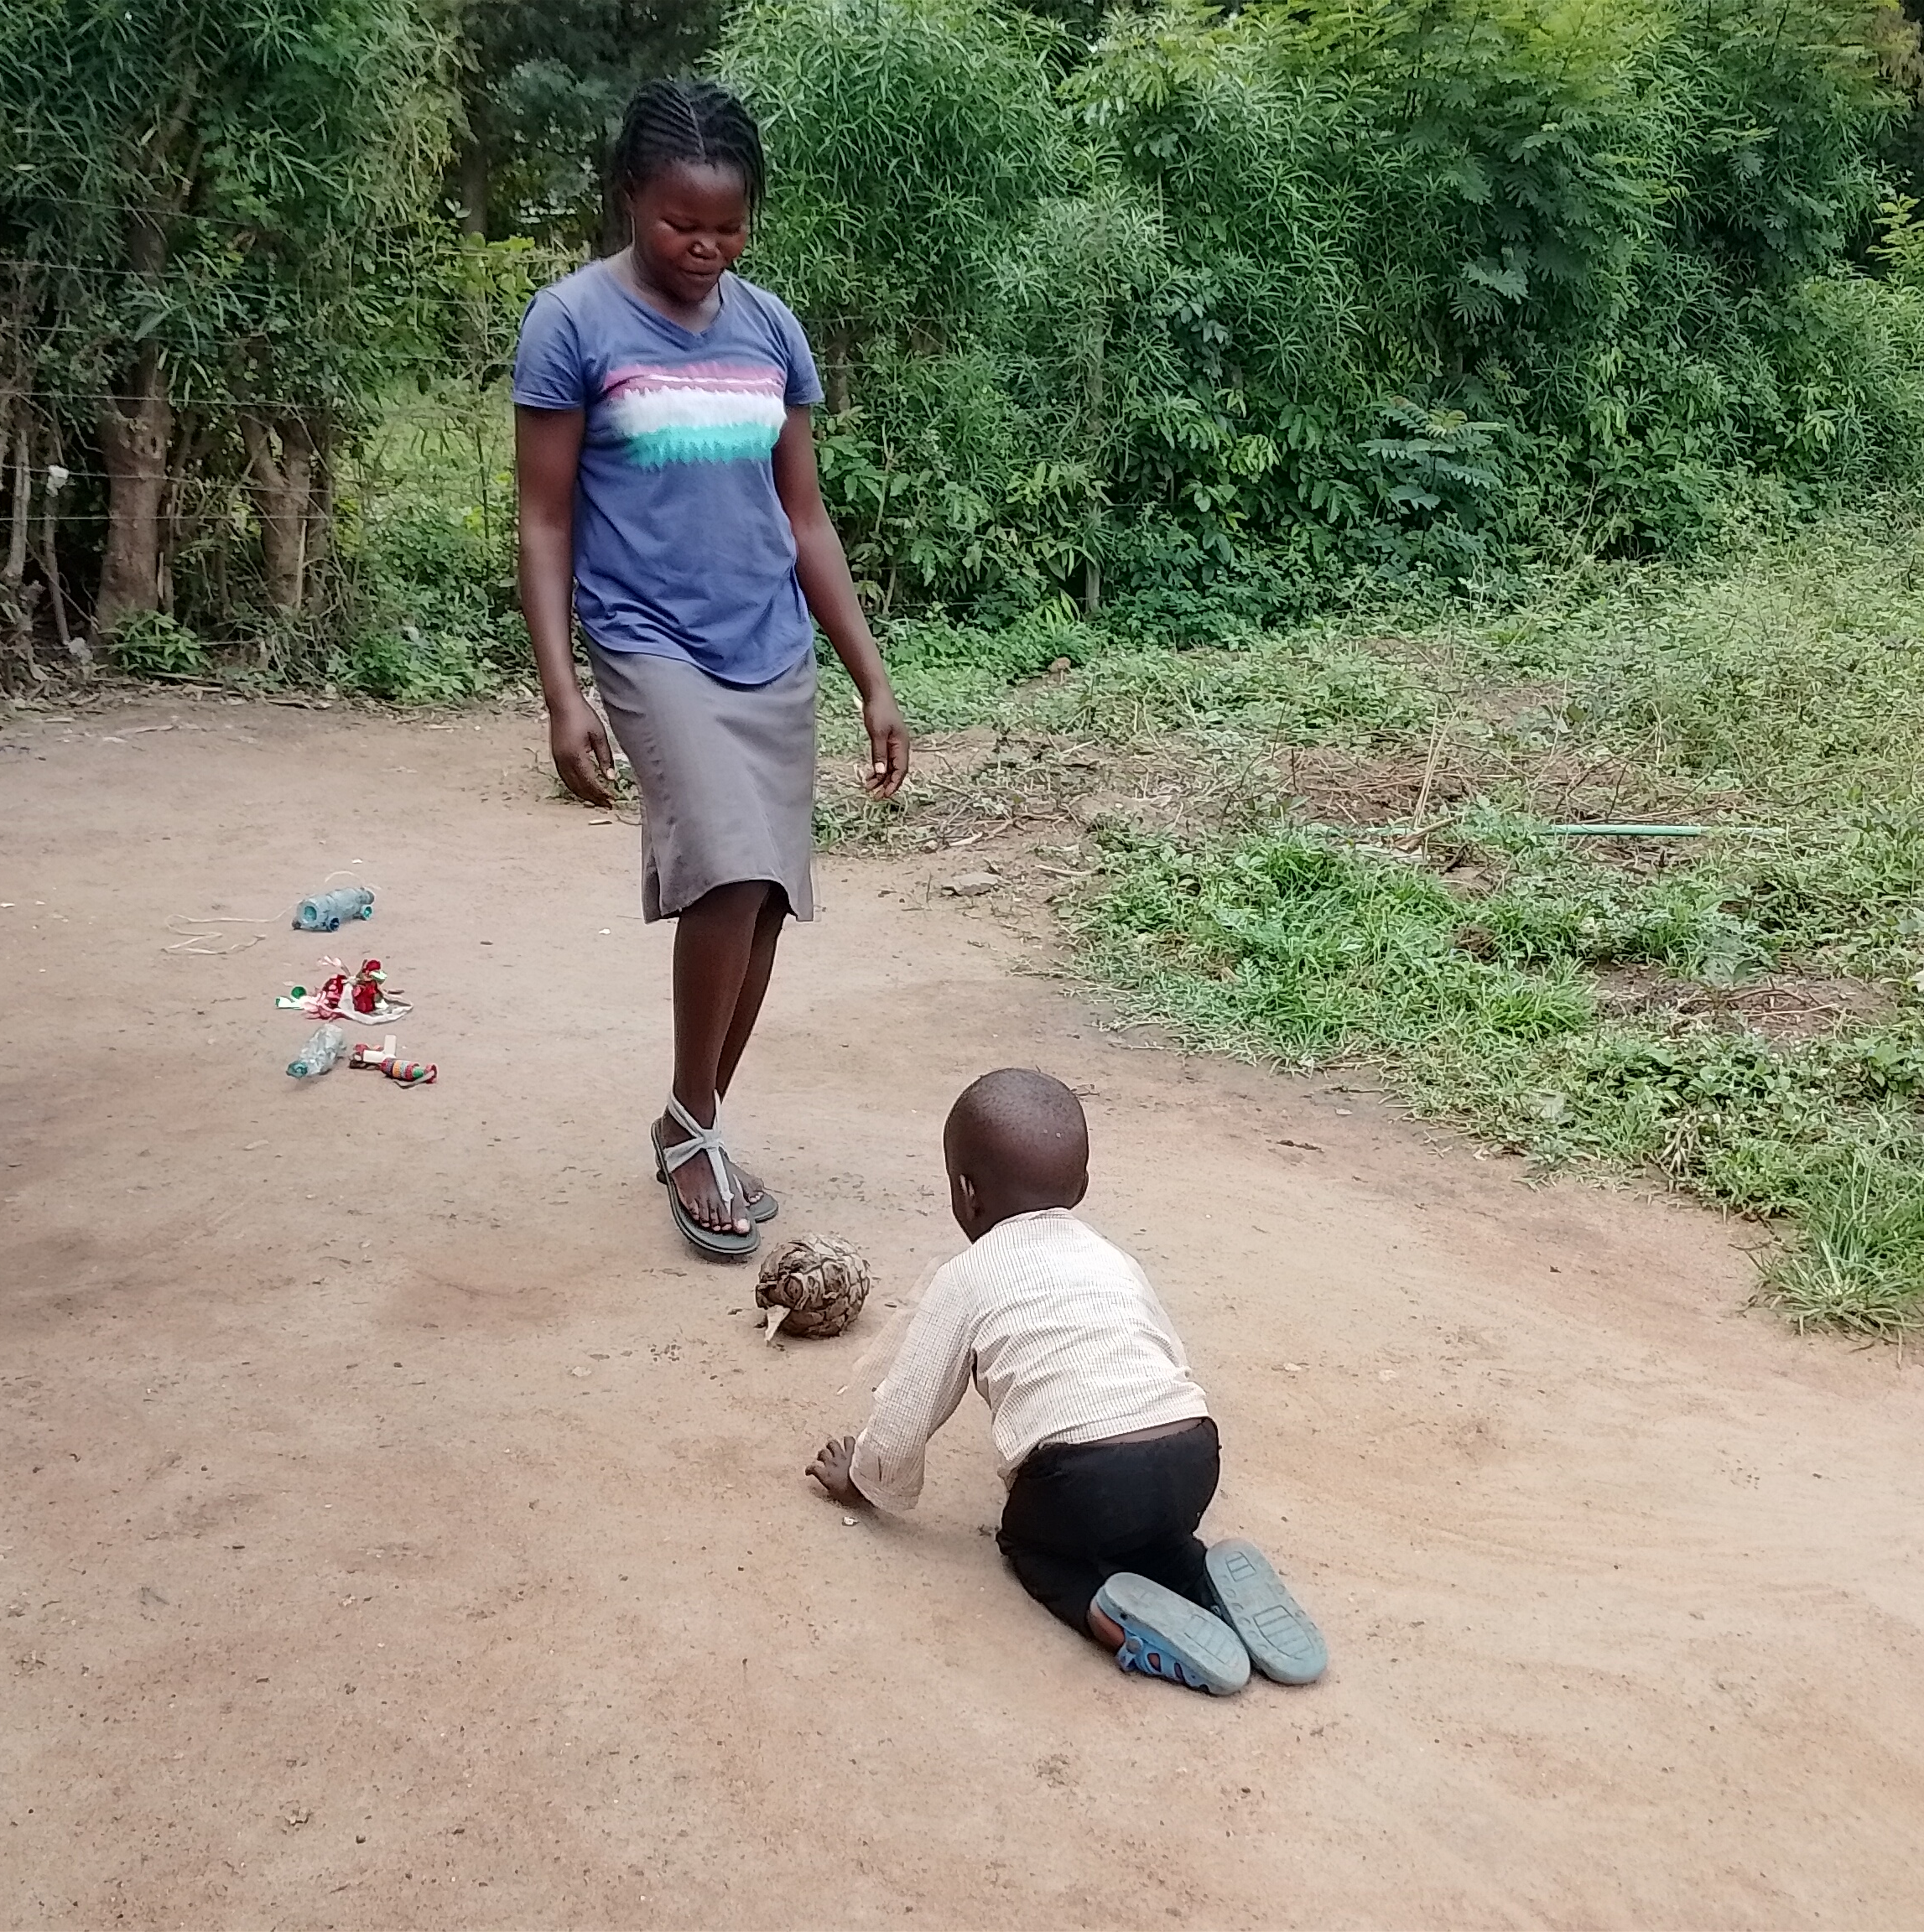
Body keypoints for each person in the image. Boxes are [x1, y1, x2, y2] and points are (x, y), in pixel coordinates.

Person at [513, 77, 912, 1261]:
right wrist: (562, 690)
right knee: (732, 874)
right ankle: (695, 1132)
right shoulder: (573, 322)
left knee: (770, 903)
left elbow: (807, 519)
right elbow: (542, 521)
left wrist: (871, 677)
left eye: (729, 226)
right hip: (647, 640)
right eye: (681, 221)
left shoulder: (770, 328)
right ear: (631, 197)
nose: (704, 246)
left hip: (769, 644)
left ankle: (693, 1120)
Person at [809, 1068, 1329, 1696]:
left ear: (967, 1193)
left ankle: (1115, 1620)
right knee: (1150, 1530)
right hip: (1193, 1456)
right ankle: (1197, 1572)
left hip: (1081, 1484)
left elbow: (909, 1405)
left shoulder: (969, 1274)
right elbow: (1166, 1351)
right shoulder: (1113, 1259)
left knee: (1035, 1547)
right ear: (1080, 1186)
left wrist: (863, 1480)